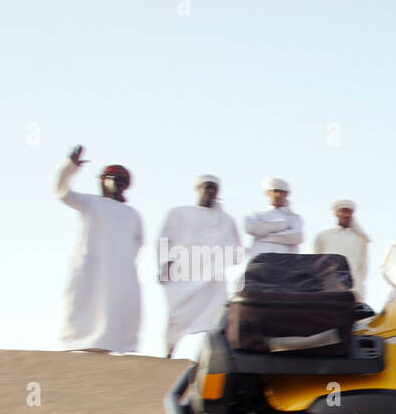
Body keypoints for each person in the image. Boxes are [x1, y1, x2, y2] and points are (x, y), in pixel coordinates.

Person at [55, 145, 143, 353]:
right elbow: (62, 192)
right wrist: (69, 167)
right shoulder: (90, 202)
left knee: (118, 309)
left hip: (121, 272)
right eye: (113, 178)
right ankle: (73, 347)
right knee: (82, 304)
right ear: (103, 181)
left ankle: (109, 350)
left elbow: (138, 243)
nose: (117, 183)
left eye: (121, 180)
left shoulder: (132, 214)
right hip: (90, 266)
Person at [157, 175, 242, 356]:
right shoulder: (179, 213)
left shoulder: (226, 220)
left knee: (217, 317)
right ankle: (168, 353)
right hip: (183, 272)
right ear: (198, 189)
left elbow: (236, 249)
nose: (210, 191)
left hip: (213, 277)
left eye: (213, 188)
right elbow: (164, 239)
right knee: (177, 315)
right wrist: (165, 263)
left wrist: (223, 261)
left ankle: (213, 357)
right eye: (207, 187)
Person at [313, 200, 371, 300]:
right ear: (337, 213)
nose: (346, 215)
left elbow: (363, 267)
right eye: (343, 211)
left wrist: (358, 286)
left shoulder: (359, 239)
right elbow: (315, 261)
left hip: (352, 287)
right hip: (327, 284)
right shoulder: (324, 236)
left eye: (349, 212)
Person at [244, 178, 303, 259]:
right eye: (275, 191)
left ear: (286, 194)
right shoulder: (257, 214)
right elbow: (251, 228)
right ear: (268, 193)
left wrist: (263, 237)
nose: (277, 195)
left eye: (281, 192)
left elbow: (297, 237)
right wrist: (282, 224)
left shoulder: (294, 218)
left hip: (285, 263)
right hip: (261, 261)